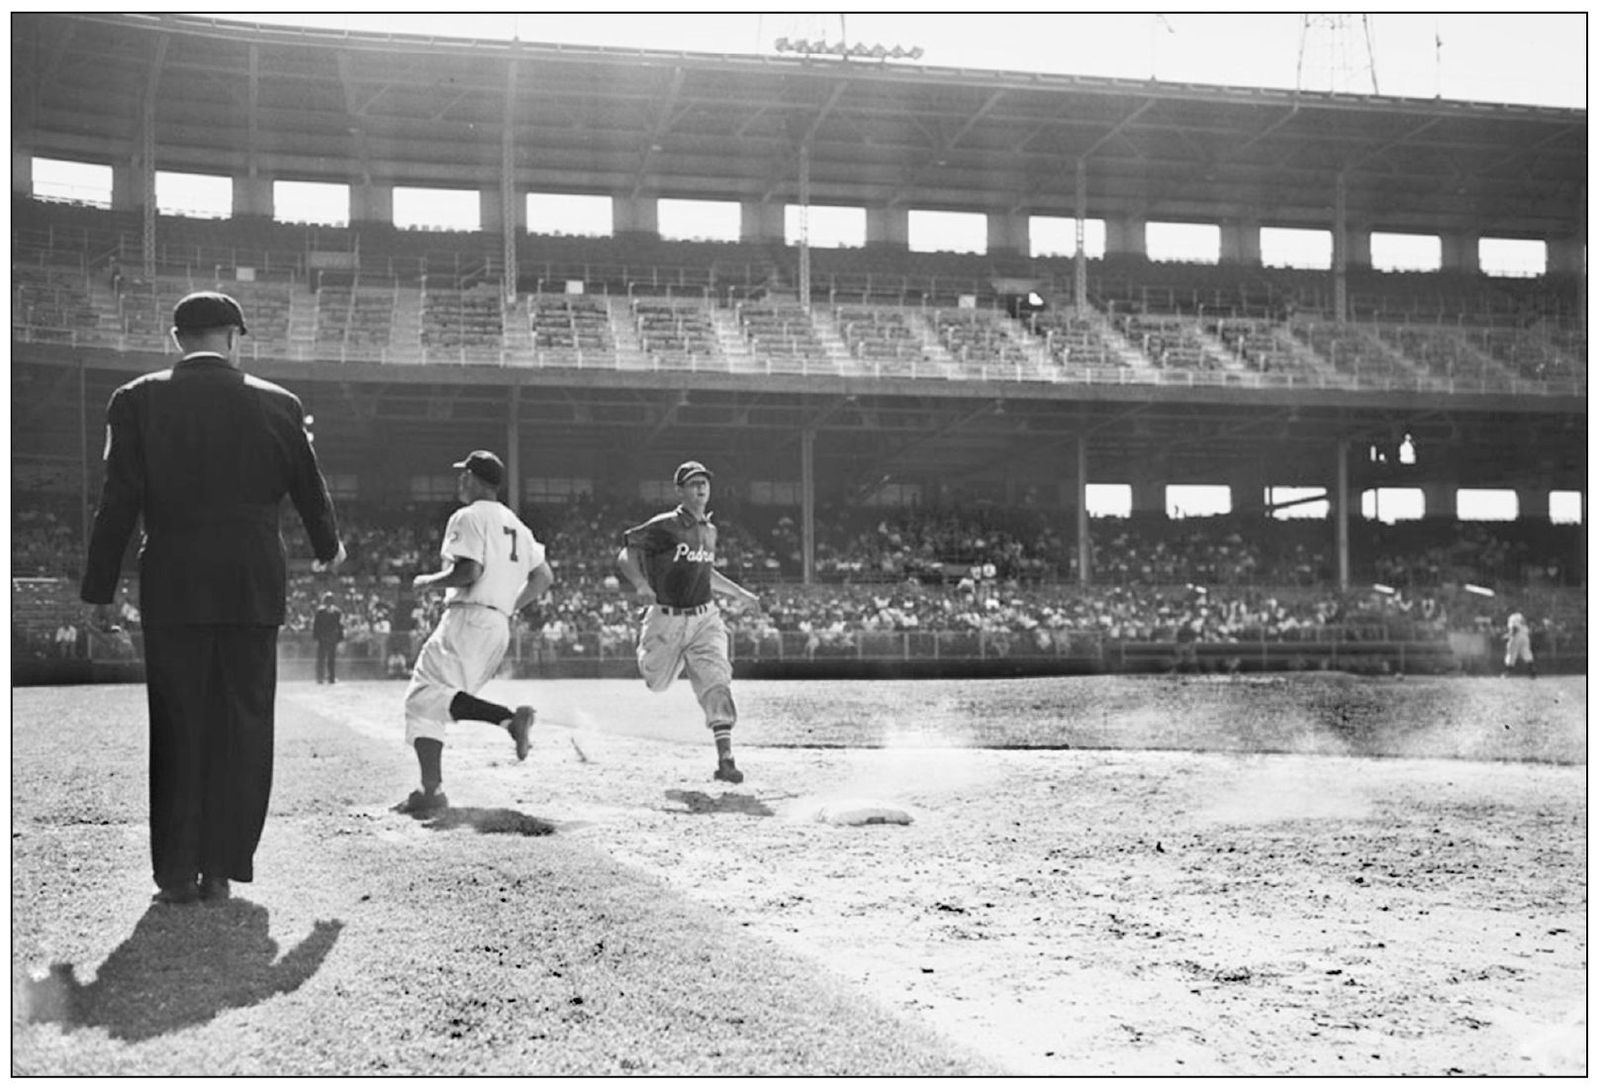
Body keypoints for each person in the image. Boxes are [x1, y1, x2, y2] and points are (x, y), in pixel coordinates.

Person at [80, 290, 344, 906]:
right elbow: (310, 486)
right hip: (252, 581)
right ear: (233, 339)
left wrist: (100, 589)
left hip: (173, 578)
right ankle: (224, 867)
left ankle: (175, 872)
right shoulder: (280, 404)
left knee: (177, 723)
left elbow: (116, 502)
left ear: (177, 340)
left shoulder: (137, 399)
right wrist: (328, 544)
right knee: (244, 721)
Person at [399, 450, 553, 815]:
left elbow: (468, 571)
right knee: (434, 701)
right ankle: (430, 790)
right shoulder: (518, 524)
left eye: (463, 474)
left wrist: (427, 582)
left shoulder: (468, 516)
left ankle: (507, 719)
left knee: (422, 697)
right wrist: (509, 606)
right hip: (497, 625)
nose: (459, 481)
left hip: (468, 619)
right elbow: (544, 577)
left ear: (474, 477)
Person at [617, 460, 760, 785]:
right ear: (679, 490)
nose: (700, 487)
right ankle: (667, 651)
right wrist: (640, 583)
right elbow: (626, 552)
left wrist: (740, 594)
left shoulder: (709, 530)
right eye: (692, 483)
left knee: (716, 681)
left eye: (704, 482)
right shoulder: (665, 524)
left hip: (704, 618)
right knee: (657, 683)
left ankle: (726, 758)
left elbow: (704, 571)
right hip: (665, 619)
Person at [312, 592, 343, 684]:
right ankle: (320, 677)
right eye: (327, 600)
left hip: (332, 639)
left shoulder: (337, 612)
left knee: (331, 659)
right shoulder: (320, 612)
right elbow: (316, 625)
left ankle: (331, 677)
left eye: (330, 600)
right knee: (321, 659)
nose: (329, 602)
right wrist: (316, 637)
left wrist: (340, 638)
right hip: (322, 638)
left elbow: (340, 625)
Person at [1504, 609, 1537, 679]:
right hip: (1525, 636)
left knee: (1511, 653)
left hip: (1517, 636)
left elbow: (1514, 628)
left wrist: (1508, 635)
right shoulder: (1520, 615)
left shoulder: (1512, 617)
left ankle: (1507, 673)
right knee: (1527, 654)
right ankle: (1532, 672)